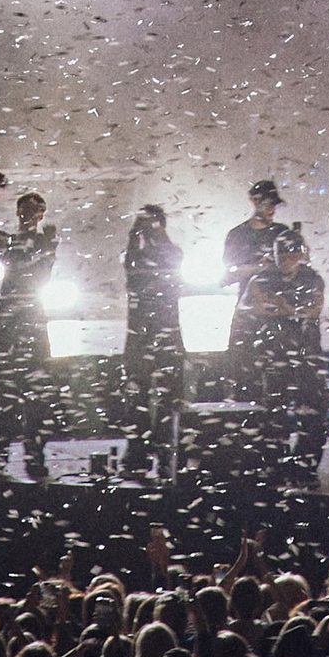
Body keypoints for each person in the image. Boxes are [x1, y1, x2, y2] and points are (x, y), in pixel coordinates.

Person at [0, 171, 61, 479]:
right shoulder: (9, 241)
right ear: (21, 212)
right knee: (3, 390)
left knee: (33, 390)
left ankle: (30, 456)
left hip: (30, 318)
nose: (33, 213)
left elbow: (45, 269)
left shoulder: (43, 240)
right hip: (12, 320)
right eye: (29, 208)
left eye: (37, 209)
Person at [234, 221, 328, 476]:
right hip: (274, 353)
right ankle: (275, 462)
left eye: (290, 255)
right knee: (273, 410)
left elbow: (313, 308)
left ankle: (306, 465)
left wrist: (281, 307)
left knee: (311, 411)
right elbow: (249, 306)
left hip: (306, 354)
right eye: (281, 255)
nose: (285, 260)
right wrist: (286, 309)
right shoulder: (263, 277)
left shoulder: (311, 278)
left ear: (299, 254)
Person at [123, 202, 186, 477]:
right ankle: (138, 452)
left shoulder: (172, 253)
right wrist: (135, 234)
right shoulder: (134, 256)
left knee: (167, 396)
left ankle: (162, 452)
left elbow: (174, 257)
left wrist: (153, 233)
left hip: (162, 333)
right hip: (143, 335)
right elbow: (131, 265)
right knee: (138, 394)